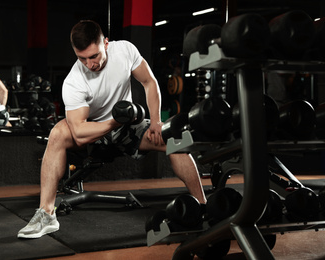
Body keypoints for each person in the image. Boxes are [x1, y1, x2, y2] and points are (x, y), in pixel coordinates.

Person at [17, 20, 207, 239]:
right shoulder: (74, 80)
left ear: (105, 43)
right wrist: (112, 123)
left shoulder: (125, 50)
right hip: (93, 131)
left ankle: (202, 207)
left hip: (128, 127)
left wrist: (155, 121)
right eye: (82, 58)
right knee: (58, 132)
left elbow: (149, 82)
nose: (89, 64)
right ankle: (46, 214)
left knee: (174, 137)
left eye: (94, 56)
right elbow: (78, 131)